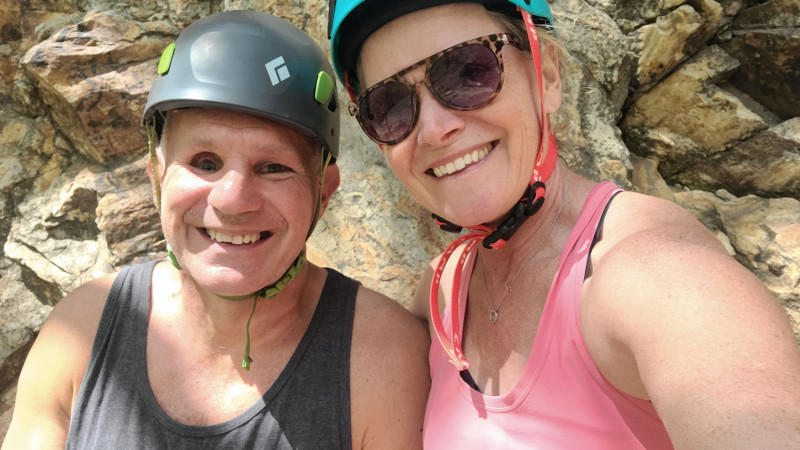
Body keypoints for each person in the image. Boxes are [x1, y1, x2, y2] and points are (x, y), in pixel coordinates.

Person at [328, 1, 800, 448]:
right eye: (389, 106)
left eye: (467, 70)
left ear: (546, 74)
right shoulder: (442, 292)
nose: (433, 129)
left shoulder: (659, 277)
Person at [3, 10, 429, 449]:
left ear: (323, 194)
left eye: (273, 167)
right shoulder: (81, 329)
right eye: (204, 162)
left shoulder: (382, 358)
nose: (232, 199)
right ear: (156, 176)